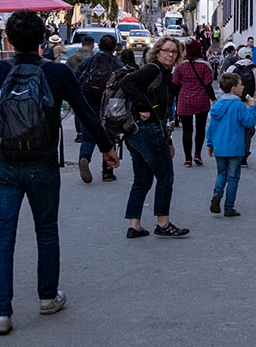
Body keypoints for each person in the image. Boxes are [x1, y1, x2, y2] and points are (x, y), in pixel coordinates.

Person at [0, 10, 121, 334]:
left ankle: (1, 314)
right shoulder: (57, 74)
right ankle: (48, 298)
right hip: (43, 164)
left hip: (4, 165)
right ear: (43, 41)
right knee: (46, 230)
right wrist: (106, 147)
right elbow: (86, 112)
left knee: (2, 234)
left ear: (9, 40)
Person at [120, 36, 190, 239]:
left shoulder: (165, 74)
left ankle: (135, 225)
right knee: (165, 176)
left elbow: (162, 112)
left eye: (174, 52)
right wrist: (143, 107)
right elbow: (127, 82)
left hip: (138, 132)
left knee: (142, 180)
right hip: (146, 130)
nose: (169, 54)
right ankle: (163, 222)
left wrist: (167, 139)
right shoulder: (154, 69)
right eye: (166, 50)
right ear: (157, 52)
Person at [205, 72, 256, 218]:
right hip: (235, 148)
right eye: (240, 85)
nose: (243, 87)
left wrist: (210, 143)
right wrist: (253, 107)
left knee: (221, 173)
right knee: (233, 178)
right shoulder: (239, 106)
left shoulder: (217, 106)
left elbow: (211, 127)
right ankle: (229, 207)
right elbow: (249, 122)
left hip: (219, 147)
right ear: (234, 88)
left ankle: (217, 194)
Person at [73, 34, 122, 182]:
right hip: (108, 103)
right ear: (114, 48)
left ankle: (84, 158)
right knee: (109, 135)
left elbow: (75, 77)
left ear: (99, 46)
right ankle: (107, 172)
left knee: (88, 135)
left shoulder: (89, 61)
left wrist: (76, 102)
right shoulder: (117, 64)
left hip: (88, 101)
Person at [172, 38, 216, 168]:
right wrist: (213, 99)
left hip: (184, 100)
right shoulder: (205, 66)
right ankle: (197, 154)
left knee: (187, 130)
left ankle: (187, 159)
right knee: (200, 128)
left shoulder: (180, 66)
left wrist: (170, 101)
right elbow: (208, 84)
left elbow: (175, 84)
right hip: (201, 99)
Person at [222, 48, 256, 166]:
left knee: (234, 128)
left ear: (239, 57)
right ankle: (244, 154)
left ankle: (233, 153)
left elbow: (224, 84)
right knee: (248, 129)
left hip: (233, 103)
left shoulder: (232, 68)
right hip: (249, 103)